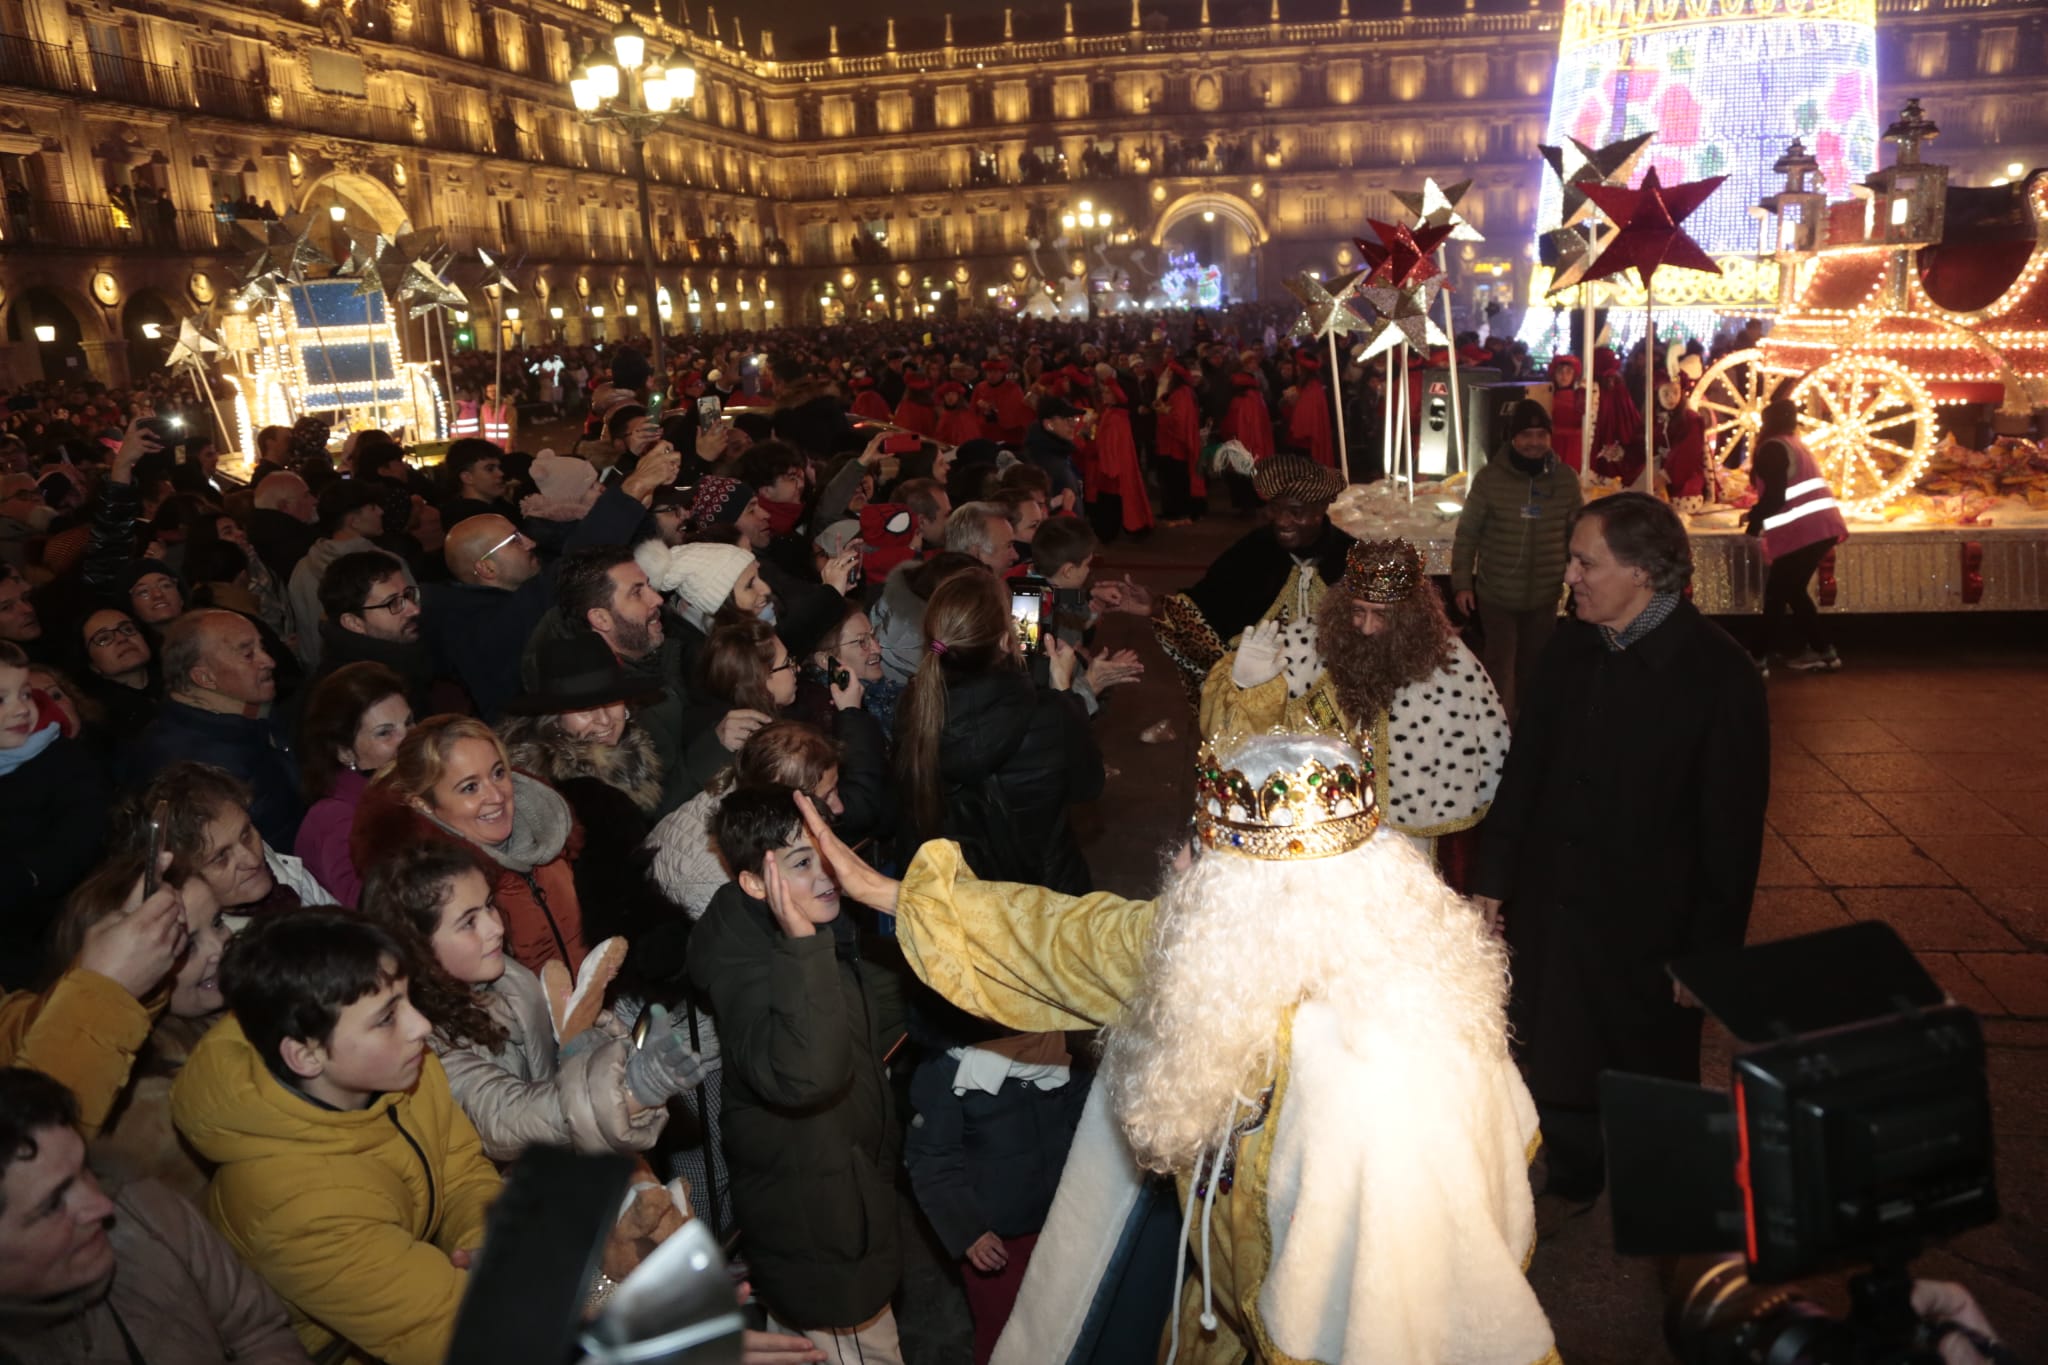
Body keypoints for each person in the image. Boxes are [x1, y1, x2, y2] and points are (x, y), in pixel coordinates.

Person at [791, 728, 1554, 1365]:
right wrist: (897, 895)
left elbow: (1395, 1319)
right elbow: (1068, 937)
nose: (1179, 862)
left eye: (1200, 849)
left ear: (1260, 890)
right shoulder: (1223, 953)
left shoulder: (1382, 1075)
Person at [1471, 492, 1769, 1211]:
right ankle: (1572, 1172)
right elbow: (1526, 771)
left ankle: (1670, 1203)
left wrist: (1708, 957)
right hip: (1557, 901)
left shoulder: (1719, 675)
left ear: (1642, 572)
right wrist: (1491, 882)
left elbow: (1731, 834)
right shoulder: (1570, 648)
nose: (1568, 577)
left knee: (1650, 1062)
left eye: (1584, 561)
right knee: (1555, 1045)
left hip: (1650, 926)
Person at [169, 908, 502, 1365]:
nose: (421, 1026)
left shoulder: (397, 1068)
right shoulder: (292, 1207)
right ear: (306, 1057)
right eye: (386, 1017)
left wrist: (486, 1245)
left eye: (407, 999)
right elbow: (451, 1334)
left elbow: (461, 1169)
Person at [689, 788, 907, 1363]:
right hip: (823, 1237)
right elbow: (808, 1076)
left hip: (841, 1209)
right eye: (801, 863)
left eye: (824, 852)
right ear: (755, 883)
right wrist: (804, 946)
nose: (828, 875)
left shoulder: (800, 937)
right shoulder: (759, 967)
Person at [358, 842, 697, 1161]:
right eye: (468, 922)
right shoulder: (424, 1042)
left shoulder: (510, 979)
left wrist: (605, 1040)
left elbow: (561, 1042)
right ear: (418, 948)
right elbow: (505, 1113)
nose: (495, 927)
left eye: (490, 905)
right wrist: (630, 1090)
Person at [1204, 538, 1508, 853]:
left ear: (1410, 617)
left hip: (1408, 848)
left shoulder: (1450, 667)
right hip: (1325, 835)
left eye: (1382, 615)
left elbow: (1488, 759)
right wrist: (1244, 686)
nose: (1365, 627)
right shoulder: (1308, 646)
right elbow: (1241, 744)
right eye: (1358, 612)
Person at [0, 1067, 311, 1365]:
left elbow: (259, 1334)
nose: (103, 1205)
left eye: (85, 1169)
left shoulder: (143, 1207)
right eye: (53, 1204)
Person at [895, 570, 1103, 893]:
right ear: (1007, 641)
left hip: (956, 898)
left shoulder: (913, 709)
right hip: (1042, 899)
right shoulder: (1049, 713)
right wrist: (1064, 692)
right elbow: (1088, 785)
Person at [50, 854, 233, 1204]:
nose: (218, 947)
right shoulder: (144, 1107)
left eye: (219, 922)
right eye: (185, 946)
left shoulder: (226, 1009)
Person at [352, 716, 589, 974]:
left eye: (498, 773)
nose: (497, 796)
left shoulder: (550, 830)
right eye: (470, 788)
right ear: (423, 804)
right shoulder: (431, 894)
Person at [499, 632, 669, 949]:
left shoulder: (633, 750)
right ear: (554, 720)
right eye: (585, 709)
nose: (604, 720)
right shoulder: (560, 797)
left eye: (610, 702)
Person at [1150, 456, 1351, 700]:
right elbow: (1206, 605)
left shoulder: (1350, 558)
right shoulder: (1253, 551)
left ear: (1321, 508)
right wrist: (1155, 607)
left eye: (1295, 512)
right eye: (1275, 509)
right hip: (1260, 700)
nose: (1281, 521)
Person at [125, 611, 303, 854]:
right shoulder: (189, 766)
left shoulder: (251, 714)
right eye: (248, 654)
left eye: (262, 647)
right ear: (204, 677)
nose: (269, 661)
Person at [1450, 399, 1583, 723]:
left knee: (1536, 667)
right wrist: (1462, 584)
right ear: (1512, 438)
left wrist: (1579, 582)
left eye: (1541, 434)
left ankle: (1532, 729)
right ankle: (1499, 732)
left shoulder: (1565, 480)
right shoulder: (1489, 479)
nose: (1534, 442)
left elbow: (1579, 536)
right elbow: (1467, 535)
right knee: (1500, 668)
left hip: (1544, 595)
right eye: (1526, 434)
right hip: (1498, 595)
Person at [0, 642, 111, 984]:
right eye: (0, 700)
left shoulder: (62, 761)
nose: (21, 709)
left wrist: (30, 873)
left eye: (25, 694)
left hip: (58, 926)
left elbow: (83, 836)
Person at [294, 662, 415, 906]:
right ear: (345, 752)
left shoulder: (397, 788)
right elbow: (369, 907)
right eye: (385, 733)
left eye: (409, 722)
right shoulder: (338, 818)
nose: (410, 738)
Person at [1744, 398, 1848, 674]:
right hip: (1820, 526)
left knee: (1777, 595)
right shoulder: (1795, 444)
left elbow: (1776, 495)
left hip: (1804, 530)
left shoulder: (1772, 449)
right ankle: (1824, 652)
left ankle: (1757, 658)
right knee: (1792, 591)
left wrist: (1755, 520)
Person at [288, 480, 408, 669]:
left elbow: (305, 632)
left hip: (330, 672)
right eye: (372, 507)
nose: (381, 512)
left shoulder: (302, 568)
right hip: (389, 667)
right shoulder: (387, 566)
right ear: (354, 520)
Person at [310, 548, 433, 712]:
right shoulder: (353, 695)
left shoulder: (404, 659)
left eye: (408, 595)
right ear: (353, 623)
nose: (414, 610)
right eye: (392, 603)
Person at [1152, 357, 1207, 525]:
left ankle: (1179, 511)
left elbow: (1179, 421)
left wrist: (1163, 412)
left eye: (1168, 372)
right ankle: (1171, 510)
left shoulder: (1181, 393)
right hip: (1169, 445)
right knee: (1170, 480)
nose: (1165, 375)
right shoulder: (1177, 392)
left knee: (1177, 480)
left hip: (1175, 446)